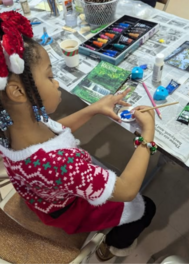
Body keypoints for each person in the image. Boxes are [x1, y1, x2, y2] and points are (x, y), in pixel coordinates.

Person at [0, 12, 156, 262]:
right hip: (67, 211)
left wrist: (94, 108)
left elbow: (55, 129)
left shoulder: (12, 127)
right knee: (146, 207)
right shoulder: (59, 164)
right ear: (17, 91)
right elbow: (126, 190)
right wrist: (148, 135)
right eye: (50, 77)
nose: (57, 84)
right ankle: (115, 246)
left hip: (41, 195)